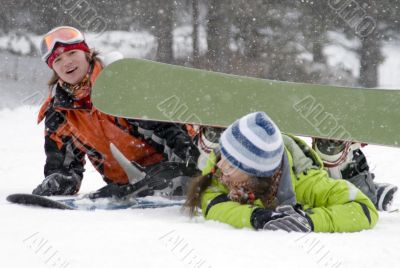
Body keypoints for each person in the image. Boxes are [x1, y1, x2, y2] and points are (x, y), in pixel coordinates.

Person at [33, 26, 199, 197]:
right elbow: (65, 167)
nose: (67, 62)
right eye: (58, 60)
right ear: (53, 68)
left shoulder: (119, 83)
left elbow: (169, 129)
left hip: (169, 171)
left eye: (72, 53)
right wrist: (59, 181)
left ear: (86, 53)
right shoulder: (60, 112)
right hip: (124, 187)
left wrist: (190, 160)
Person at [185, 112, 378, 232]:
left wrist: (309, 220)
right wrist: (256, 216)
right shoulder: (219, 160)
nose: (220, 167)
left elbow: (363, 209)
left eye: (232, 165)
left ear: (256, 174)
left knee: (365, 192)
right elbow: (210, 199)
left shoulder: (306, 181)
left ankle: (370, 184)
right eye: (224, 157)